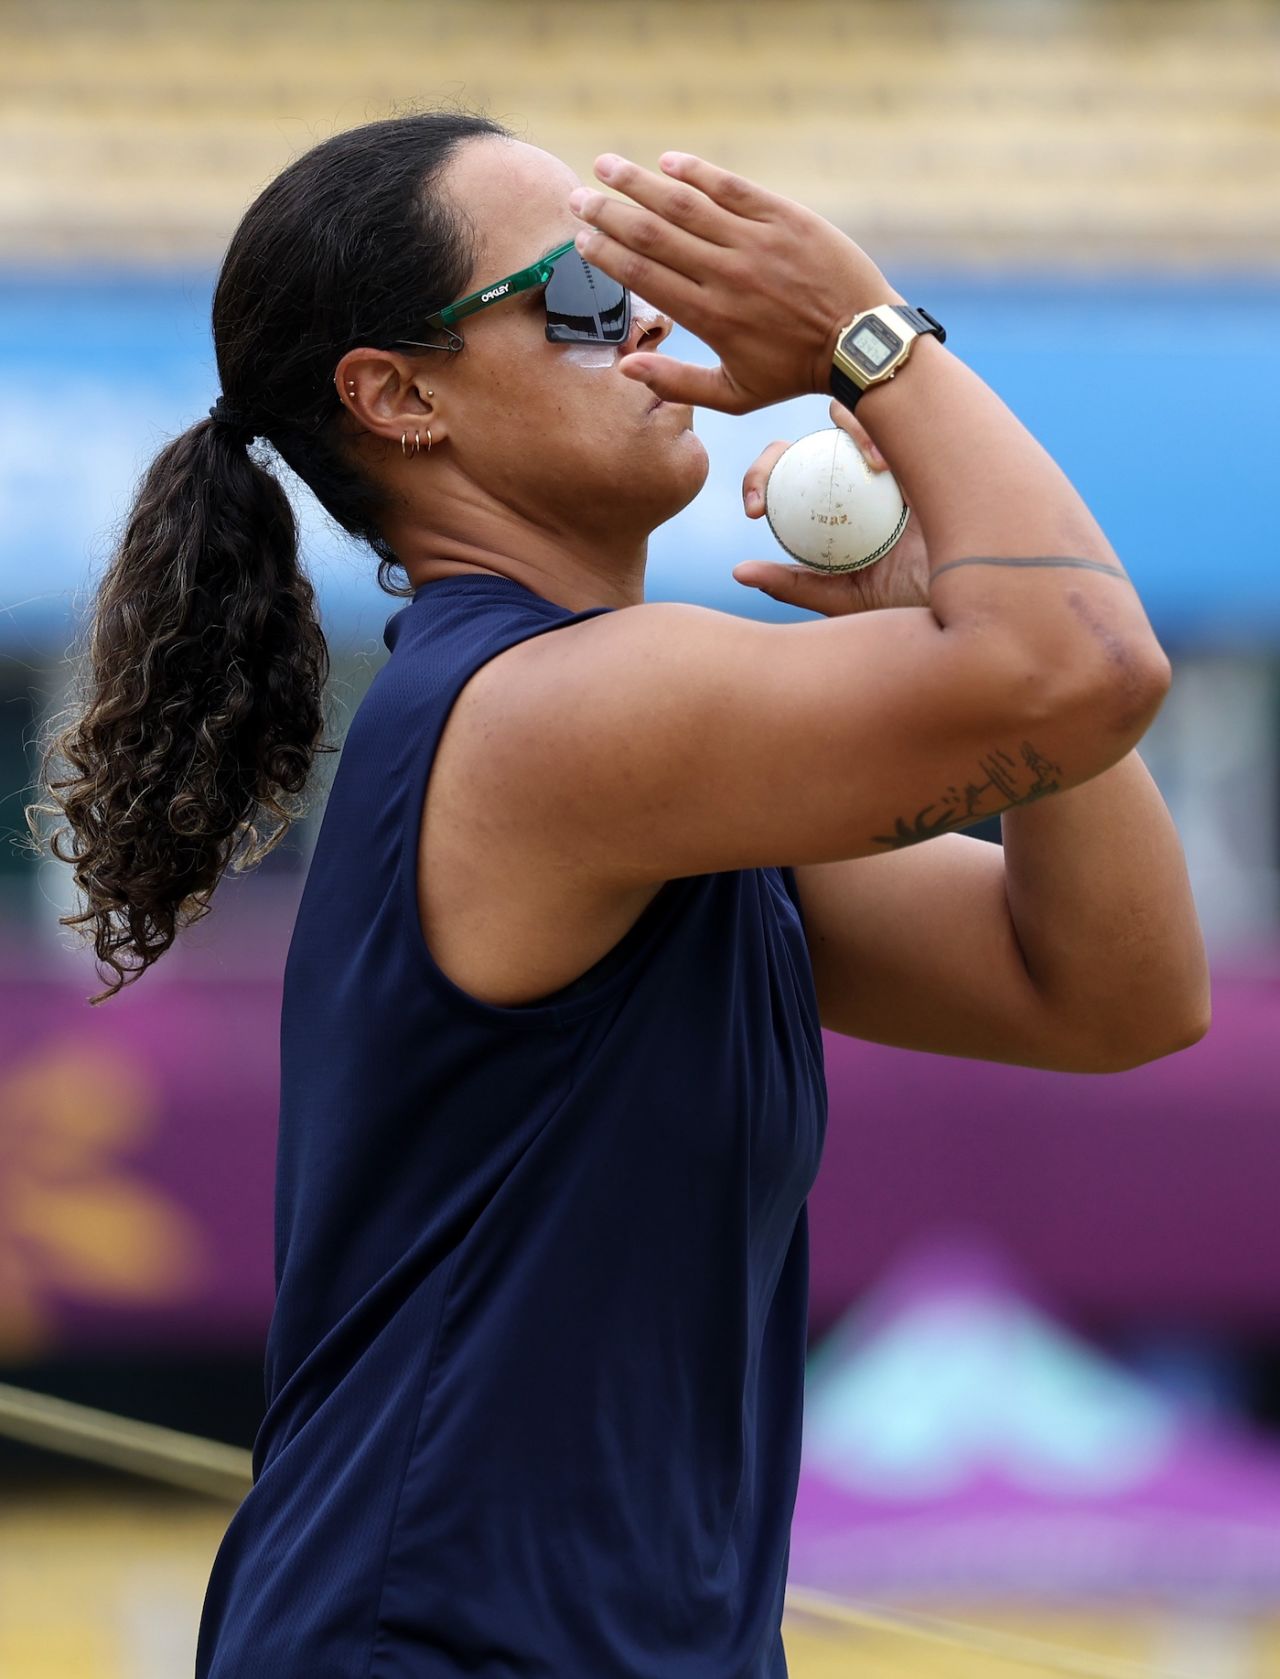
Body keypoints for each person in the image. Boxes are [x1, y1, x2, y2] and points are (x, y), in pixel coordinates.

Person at [29, 113, 1208, 1676]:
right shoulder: (547, 721)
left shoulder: (644, 766)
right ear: (398, 398)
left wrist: (951, 602)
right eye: (582, 293)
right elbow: (1089, 667)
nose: (648, 322)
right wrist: (870, 336)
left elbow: (1117, 994)